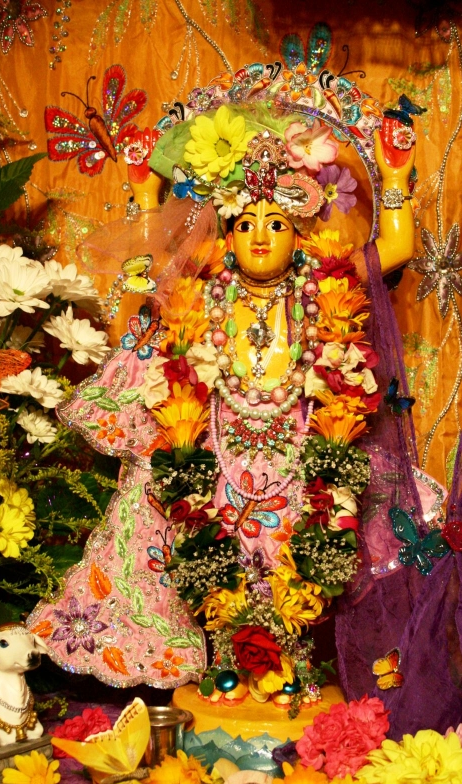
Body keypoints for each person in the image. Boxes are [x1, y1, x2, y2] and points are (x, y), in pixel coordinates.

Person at [28, 64, 445, 716]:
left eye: (276, 223)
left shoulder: (321, 287)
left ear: (299, 236)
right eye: (245, 223)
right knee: (185, 542)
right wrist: (142, 192)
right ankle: (223, 667)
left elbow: (392, 247)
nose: (259, 236)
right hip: (214, 457)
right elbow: (151, 266)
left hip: (301, 457)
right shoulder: (203, 290)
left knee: (315, 561)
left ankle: (290, 670)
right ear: (225, 233)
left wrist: (393, 178)